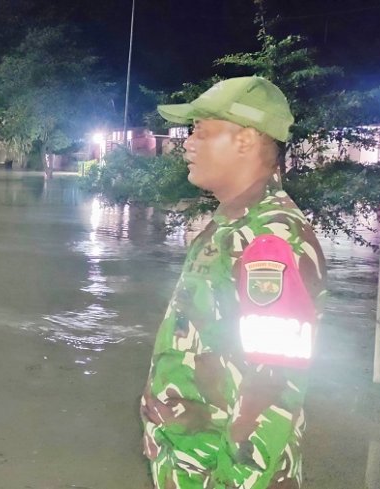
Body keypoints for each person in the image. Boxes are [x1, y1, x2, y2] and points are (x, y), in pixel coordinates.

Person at [140, 76, 327, 489]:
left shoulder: (271, 239)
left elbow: (274, 387)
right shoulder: (232, 225)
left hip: (225, 476)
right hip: (192, 464)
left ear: (245, 140)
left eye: (201, 132)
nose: (188, 144)